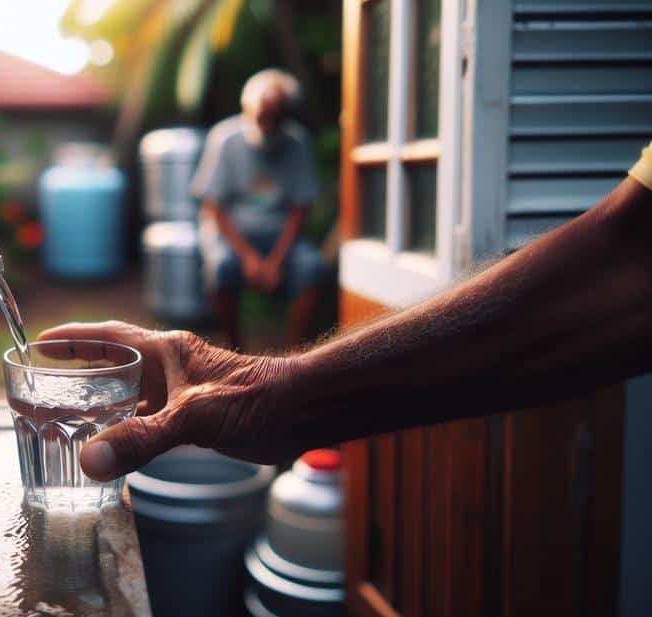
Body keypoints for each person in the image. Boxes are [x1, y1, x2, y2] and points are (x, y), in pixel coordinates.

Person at [39, 142, 652, 483]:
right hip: (239, 244)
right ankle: (246, 340)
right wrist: (284, 389)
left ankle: (286, 341)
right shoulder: (229, 145)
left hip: (279, 244)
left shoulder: (294, 154)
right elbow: (630, 255)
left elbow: (628, 262)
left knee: (306, 271)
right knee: (223, 270)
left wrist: (283, 388)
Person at [191, 69, 329, 349]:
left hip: (281, 237)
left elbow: (299, 210)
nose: (267, 126)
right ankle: (235, 350)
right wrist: (250, 259)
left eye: (275, 119)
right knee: (220, 268)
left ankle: (295, 358)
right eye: (262, 117)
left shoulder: (297, 142)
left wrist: (275, 261)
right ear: (247, 109)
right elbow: (214, 208)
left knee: (313, 268)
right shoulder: (225, 138)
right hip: (232, 234)